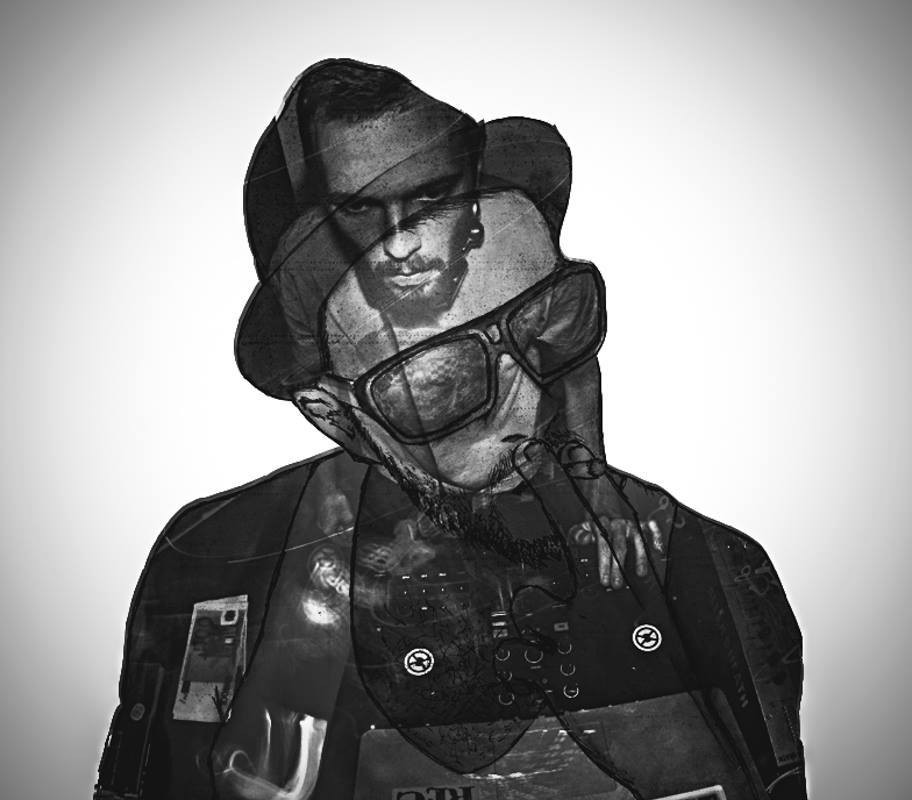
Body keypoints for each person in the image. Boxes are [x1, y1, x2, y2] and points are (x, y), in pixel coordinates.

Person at [95, 60, 807, 800]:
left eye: (549, 326)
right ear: (337, 416)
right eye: (439, 383)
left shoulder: (710, 568)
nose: (528, 408)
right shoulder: (217, 568)